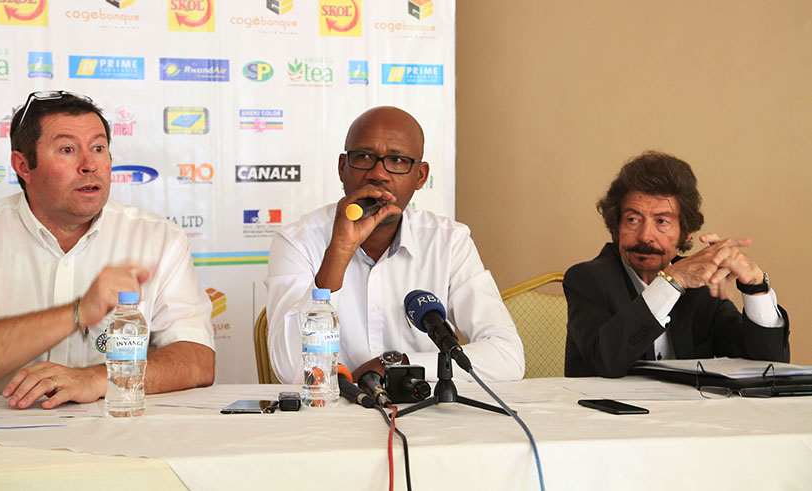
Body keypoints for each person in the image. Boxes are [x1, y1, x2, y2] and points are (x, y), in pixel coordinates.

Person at [0, 91, 215, 408]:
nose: (89, 165)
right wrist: (78, 313)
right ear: (23, 165)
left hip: (117, 430)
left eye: (98, 148)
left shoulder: (158, 239)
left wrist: (98, 379)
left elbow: (197, 359)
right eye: (68, 150)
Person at [265, 106, 524, 384]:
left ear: (420, 176)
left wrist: (398, 365)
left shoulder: (449, 242)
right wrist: (338, 252)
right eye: (364, 157)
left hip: (425, 407)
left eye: (397, 160)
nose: (378, 174)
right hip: (335, 408)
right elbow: (291, 368)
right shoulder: (297, 241)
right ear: (342, 168)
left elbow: (507, 356)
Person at [564, 151, 789, 377]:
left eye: (662, 221)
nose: (645, 236)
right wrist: (673, 281)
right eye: (633, 219)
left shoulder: (700, 288)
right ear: (616, 226)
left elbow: (766, 369)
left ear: (686, 234)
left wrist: (755, 287)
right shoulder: (587, 280)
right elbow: (604, 361)